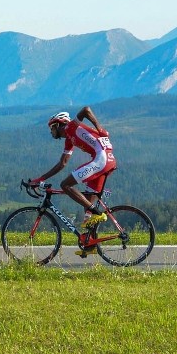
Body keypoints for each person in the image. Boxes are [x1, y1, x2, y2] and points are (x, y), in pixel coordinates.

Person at [29, 106, 117, 248]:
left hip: (102, 159)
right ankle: (90, 244)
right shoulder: (69, 139)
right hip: (107, 159)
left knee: (66, 185)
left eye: (51, 128)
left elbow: (86, 110)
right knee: (87, 207)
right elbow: (62, 163)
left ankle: (97, 212)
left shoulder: (70, 127)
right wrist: (41, 178)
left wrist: (100, 128)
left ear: (58, 124)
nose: (51, 132)